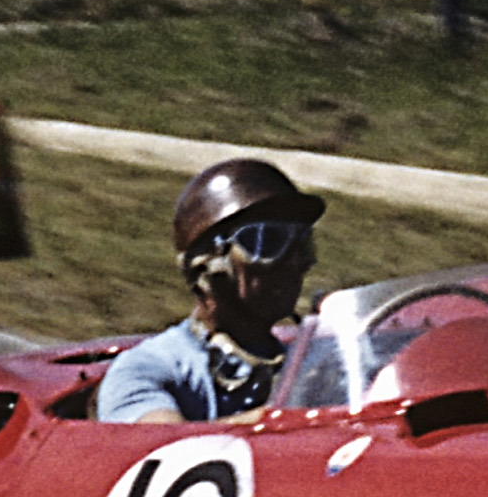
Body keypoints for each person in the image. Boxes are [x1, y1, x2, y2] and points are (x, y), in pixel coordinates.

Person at [99, 158, 325, 423]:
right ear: (208, 265)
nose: (294, 261)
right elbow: (160, 447)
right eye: (265, 241)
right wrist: (286, 420)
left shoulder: (308, 367)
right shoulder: (146, 368)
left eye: (301, 242)